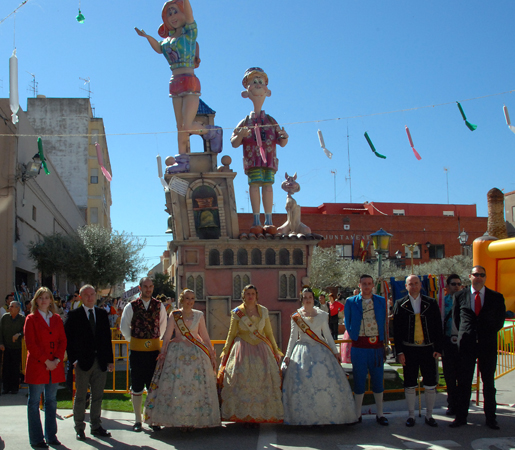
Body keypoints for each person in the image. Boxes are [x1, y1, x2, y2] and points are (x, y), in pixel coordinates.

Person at [135, 0, 222, 168]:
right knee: (180, 126)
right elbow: (159, 48)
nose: (173, 16)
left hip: (189, 80)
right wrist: (146, 37)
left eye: (175, 11)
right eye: (169, 13)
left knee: (187, 124)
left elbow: (190, 17)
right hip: (174, 82)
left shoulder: (189, 34)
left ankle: (212, 131)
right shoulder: (167, 41)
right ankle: (183, 161)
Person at [144, 289, 220, 429]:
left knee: (196, 387)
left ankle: (194, 420)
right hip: (177, 354)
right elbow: (167, 335)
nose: (190, 301)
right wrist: (164, 351)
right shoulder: (175, 315)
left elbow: (204, 336)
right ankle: (179, 420)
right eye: (187, 298)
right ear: (182, 299)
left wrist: (210, 352)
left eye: (192, 298)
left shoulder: (199, 315)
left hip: (196, 355)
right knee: (176, 387)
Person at [282, 288, 357, 425]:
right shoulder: (296, 316)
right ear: (302, 299)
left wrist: (335, 352)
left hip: (321, 351)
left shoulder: (322, 314)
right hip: (302, 351)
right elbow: (293, 337)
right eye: (305, 297)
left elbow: (327, 335)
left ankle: (327, 417)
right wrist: (287, 355)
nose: (308, 299)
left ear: (313, 298)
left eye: (310, 297)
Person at [231, 67, 289, 235]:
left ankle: (268, 220)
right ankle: (257, 220)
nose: (257, 85)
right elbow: (234, 143)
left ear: (267, 91)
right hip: (252, 160)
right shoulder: (245, 122)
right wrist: (240, 136)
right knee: (254, 187)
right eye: (253, 82)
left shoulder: (271, 120)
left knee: (268, 187)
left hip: (269, 160)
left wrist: (284, 136)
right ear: (246, 92)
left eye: (260, 82)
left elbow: (282, 142)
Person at [450, 265, 506, 430]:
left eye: (482, 274)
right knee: (464, 382)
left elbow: (500, 321)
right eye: (476, 274)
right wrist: (468, 333)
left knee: (488, 383)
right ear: (470, 276)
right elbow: (457, 319)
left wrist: (485, 333)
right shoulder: (460, 296)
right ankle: (461, 417)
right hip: (466, 345)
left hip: (487, 345)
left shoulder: (496, 297)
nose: (479, 277)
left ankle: (490, 418)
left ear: (485, 277)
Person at [218, 284, 283, 425]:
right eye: (247, 293)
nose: (250, 296)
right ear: (243, 296)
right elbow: (231, 333)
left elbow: (269, 333)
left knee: (262, 379)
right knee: (241, 378)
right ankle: (243, 415)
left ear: (256, 295)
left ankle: (259, 414)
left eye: (252, 293)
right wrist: (225, 351)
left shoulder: (264, 311)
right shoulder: (237, 312)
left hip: (261, 349)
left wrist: (276, 350)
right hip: (242, 348)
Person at [64, 284, 114, 441]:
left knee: (97, 396)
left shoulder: (102, 314)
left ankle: (96, 426)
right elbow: (68, 341)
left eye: (92, 294)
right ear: (80, 297)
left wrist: (110, 361)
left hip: (100, 362)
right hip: (82, 363)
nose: (90, 297)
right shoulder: (73, 315)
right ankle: (79, 427)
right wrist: (74, 360)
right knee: (80, 397)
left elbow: (106, 339)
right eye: (86, 295)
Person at [393, 275, 443, 428]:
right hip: (409, 350)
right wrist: (399, 352)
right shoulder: (400, 304)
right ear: (406, 286)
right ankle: (411, 415)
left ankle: (429, 415)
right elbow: (397, 330)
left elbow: (437, 327)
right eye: (410, 284)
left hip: (428, 349)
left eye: (416, 283)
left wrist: (438, 348)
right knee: (409, 383)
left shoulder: (431, 303)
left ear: (420, 285)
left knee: (429, 383)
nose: (413, 286)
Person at [120, 277, 168, 432]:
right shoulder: (131, 306)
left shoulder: (159, 306)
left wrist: (152, 340)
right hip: (137, 352)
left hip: (153, 352)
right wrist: (135, 341)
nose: (148, 289)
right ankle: (137, 420)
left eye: (151, 286)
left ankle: (152, 419)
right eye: (145, 286)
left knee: (153, 385)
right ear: (140, 288)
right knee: (137, 386)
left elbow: (163, 325)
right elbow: (124, 327)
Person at [24, 287, 67, 448]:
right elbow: (31, 344)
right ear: (36, 300)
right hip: (37, 366)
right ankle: (36, 439)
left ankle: (51, 436)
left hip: (54, 366)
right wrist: (45, 361)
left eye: (47, 297)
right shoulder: (31, 319)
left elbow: (62, 340)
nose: (44, 300)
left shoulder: (56, 319)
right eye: (40, 298)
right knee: (34, 402)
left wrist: (56, 359)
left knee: (51, 401)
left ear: (51, 301)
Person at [344, 275, 389, 425]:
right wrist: (354, 336)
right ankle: (357, 414)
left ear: (373, 285)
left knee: (378, 380)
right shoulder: (351, 302)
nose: (367, 286)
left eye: (369, 284)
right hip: (359, 347)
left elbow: (385, 321)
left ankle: (380, 413)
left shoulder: (381, 301)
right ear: (360, 285)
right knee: (359, 380)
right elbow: (347, 320)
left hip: (376, 347)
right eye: (364, 284)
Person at [441, 274, 462, 416]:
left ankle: (461, 405)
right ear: (448, 286)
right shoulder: (443, 302)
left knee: (463, 376)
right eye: (453, 284)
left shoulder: (467, 300)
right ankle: (451, 404)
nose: (456, 286)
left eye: (458, 284)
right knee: (449, 376)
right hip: (448, 341)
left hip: (463, 343)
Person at [0, 301, 25, 394]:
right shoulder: (5, 318)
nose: (9, 308)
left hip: (17, 347)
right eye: (10, 306)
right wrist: (1, 343)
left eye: (12, 306)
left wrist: (19, 334)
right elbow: (0, 331)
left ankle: (14, 388)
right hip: (6, 347)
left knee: (15, 368)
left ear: (17, 309)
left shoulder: (22, 319)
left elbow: (25, 330)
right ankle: (6, 388)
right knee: (6, 368)